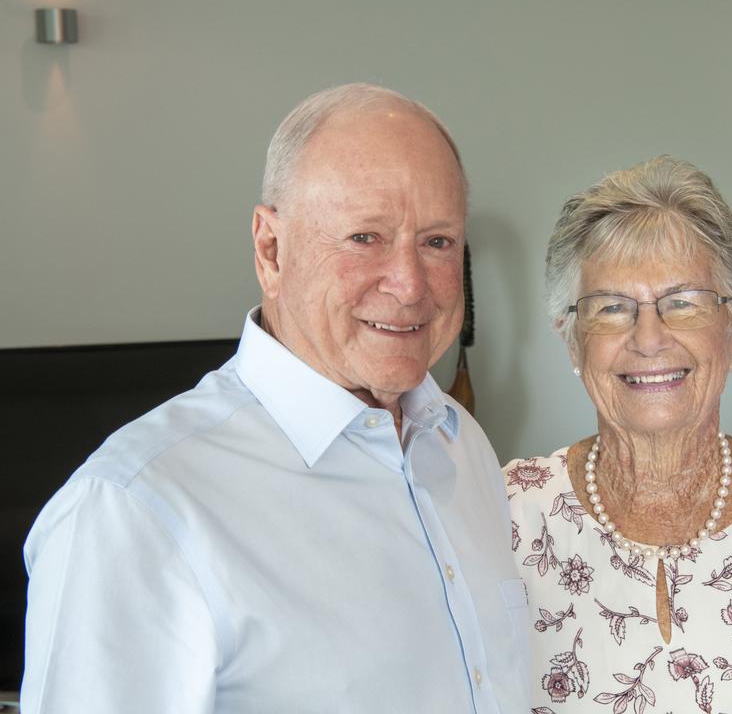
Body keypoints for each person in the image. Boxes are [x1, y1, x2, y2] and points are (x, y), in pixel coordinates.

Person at [22, 83, 530, 713]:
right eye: (364, 237)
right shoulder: (134, 509)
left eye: (437, 241)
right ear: (270, 249)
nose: (409, 285)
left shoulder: (461, 445)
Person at [507, 155, 732, 714]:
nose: (649, 337)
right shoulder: (505, 517)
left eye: (683, 303)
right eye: (611, 308)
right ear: (573, 340)